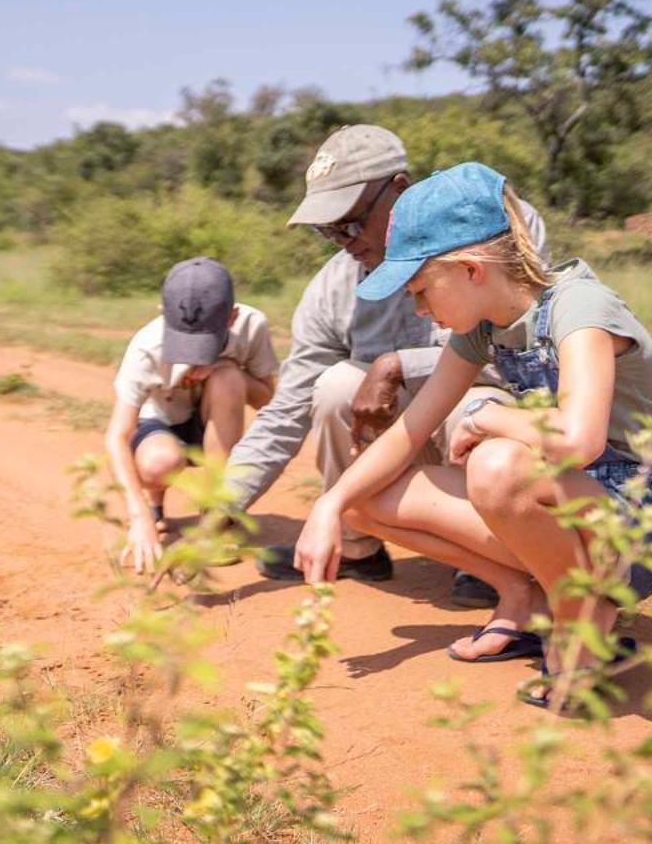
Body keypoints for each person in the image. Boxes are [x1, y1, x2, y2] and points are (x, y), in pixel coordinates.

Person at [291, 162, 652, 702]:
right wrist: (329, 505)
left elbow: (579, 440)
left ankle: (582, 621)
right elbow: (410, 430)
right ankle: (522, 595)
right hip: (571, 508)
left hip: (637, 526)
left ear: (471, 270)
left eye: (422, 289)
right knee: (365, 499)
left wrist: (490, 418)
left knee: (496, 464)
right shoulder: (483, 330)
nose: (419, 307)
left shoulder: (581, 309)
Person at [225, 125, 546, 605]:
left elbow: (528, 357)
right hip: (405, 436)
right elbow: (288, 405)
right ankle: (356, 549)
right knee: (333, 385)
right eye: (328, 231)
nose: (344, 241)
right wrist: (222, 505)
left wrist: (400, 364)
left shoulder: (491, 231)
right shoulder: (334, 287)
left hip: (492, 425)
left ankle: (498, 553)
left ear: (399, 188)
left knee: (476, 405)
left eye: (352, 222)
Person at [107, 256, 279, 574]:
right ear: (163, 315)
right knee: (161, 462)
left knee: (228, 378)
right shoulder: (147, 344)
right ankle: (156, 505)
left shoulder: (251, 325)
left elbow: (268, 399)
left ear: (233, 317)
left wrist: (227, 367)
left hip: (212, 421)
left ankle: (214, 516)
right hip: (160, 422)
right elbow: (117, 435)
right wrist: (139, 515)